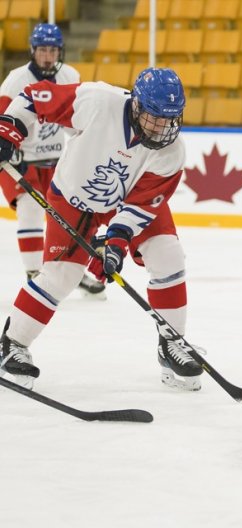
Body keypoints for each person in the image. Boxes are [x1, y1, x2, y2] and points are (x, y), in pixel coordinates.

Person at [0, 66, 203, 391]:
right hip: (73, 197)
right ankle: (12, 343)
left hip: (128, 198)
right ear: (136, 105)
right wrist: (9, 130)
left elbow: (140, 205)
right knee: (61, 275)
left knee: (168, 254)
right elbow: (34, 98)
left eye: (169, 119)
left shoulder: (171, 151)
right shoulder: (97, 101)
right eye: (153, 117)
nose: (161, 127)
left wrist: (116, 244)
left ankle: (172, 343)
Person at [0, 23, 105, 296]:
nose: (48, 55)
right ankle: (35, 273)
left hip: (58, 159)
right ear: (33, 50)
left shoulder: (70, 74)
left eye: (53, 50)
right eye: (43, 49)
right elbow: (4, 119)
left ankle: (71, 270)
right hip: (23, 160)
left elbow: (78, 117)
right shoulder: (16, 79)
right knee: (30, 210)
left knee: (69, 215)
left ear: (61, 51)